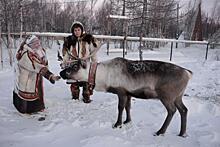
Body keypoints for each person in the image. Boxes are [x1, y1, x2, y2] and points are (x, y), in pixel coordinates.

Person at [13, 35, 60, 114]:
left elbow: (44, 64)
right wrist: (50, 76)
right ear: (29, 44)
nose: (37, 45)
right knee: (27, 99)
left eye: (38, 42)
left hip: (34, 80)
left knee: (35, 95)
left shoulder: (38, 52)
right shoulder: (26, 55)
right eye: (34, 43)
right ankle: (26, 111)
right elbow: (37, 67)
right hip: (27, 81)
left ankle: (34, 109)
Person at [62, 21, 99, 103]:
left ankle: (86, 96)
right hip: (73, 64)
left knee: (86, 82)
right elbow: (67, 53)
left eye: (78, 30)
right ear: (73, 31)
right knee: (74, 82)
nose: (77, 32)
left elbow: (93, 53)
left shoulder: (88, 39)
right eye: (75, 30)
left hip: (85, 64)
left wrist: (94, 63)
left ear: (82, 30)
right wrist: (65, 61)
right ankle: (75, 96)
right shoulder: (69, 41)